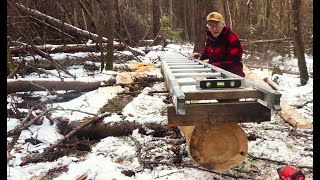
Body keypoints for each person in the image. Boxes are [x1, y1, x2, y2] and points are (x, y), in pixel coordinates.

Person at [192, 12, 245, 77]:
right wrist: (200, 55)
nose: (214, 29)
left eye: (217, 25)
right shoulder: (210, 37)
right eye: (211, 26)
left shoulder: (232, 38)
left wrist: (213, 66)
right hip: (214, 73)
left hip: (232, 76)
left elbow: (234, 62)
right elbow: (207, 51)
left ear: (223, 24)